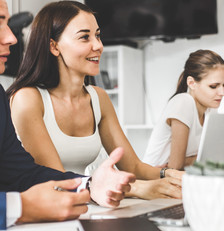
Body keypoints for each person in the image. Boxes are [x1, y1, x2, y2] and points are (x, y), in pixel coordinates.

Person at [7, 1, 182, 200]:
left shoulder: (99, 98)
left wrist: (170, 175)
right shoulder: (27, 98)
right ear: (54, 46)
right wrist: (138, 189)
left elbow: (133, 166)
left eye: (97, 35)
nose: (98, 46)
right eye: (84, 37)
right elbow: (56, 180)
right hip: (49, 211)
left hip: (89, 205)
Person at [0, 0, 135, 229]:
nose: (12, 38)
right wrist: (18, 207)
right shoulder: (27, 98)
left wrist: (90, 185)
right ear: (54, 46)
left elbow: (21, 172)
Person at [142, 50, 224, 170]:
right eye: (213, 86)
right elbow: (176, 167)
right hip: (154, 181)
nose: (222, 92)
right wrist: (212, 158)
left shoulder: (210, 109)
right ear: (192, 83)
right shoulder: (184, 102)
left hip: (178, 179)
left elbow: (214, 155)